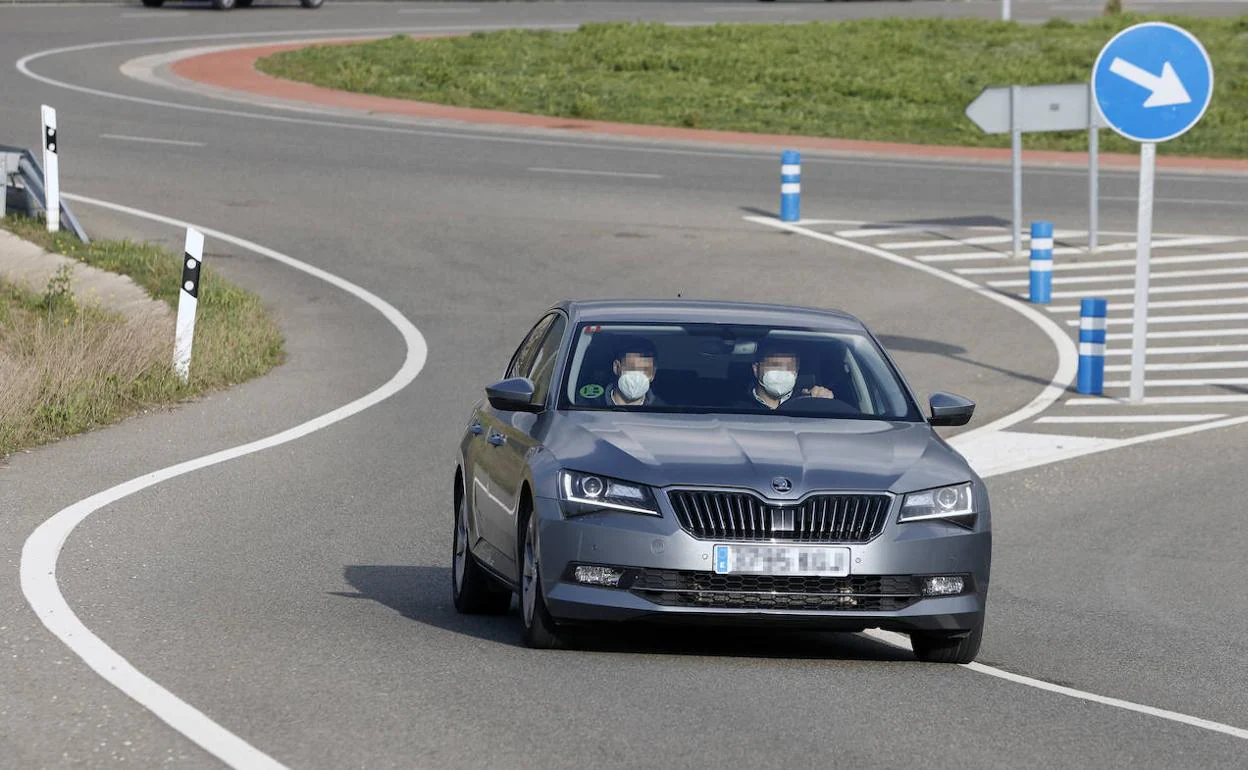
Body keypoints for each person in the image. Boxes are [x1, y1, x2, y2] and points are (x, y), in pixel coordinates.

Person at [748, 342, 835, 410]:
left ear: (796, 371)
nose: (783, 371)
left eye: (789, 367)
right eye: (775, 365)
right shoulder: (739, 407)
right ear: (756, 369)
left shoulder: (808, 404)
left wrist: (825, 402)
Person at [588, 336, 661, 407]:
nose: (637, 376)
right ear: (616, 367)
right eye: (632, 368)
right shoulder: (589, 406)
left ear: (653, 374)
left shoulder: (663, 413)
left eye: (644, 370)